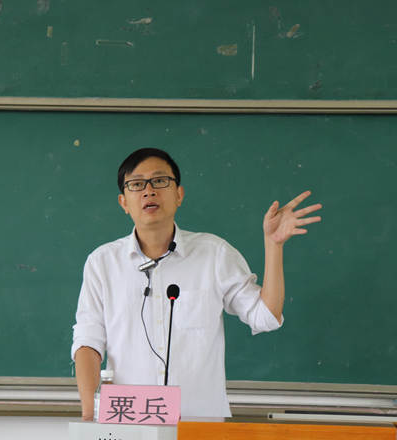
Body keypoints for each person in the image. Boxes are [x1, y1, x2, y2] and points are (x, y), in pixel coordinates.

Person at [71, 148, 322, 420]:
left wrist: (273, 246)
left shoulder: (214, 254)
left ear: (179, 194)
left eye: (160, 181)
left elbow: (266, 316)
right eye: (137, 184)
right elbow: (88, 343)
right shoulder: (102, 263)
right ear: (123, 202)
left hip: (201, 425)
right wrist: (88, 415)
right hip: (128, 424)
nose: (149, 191)